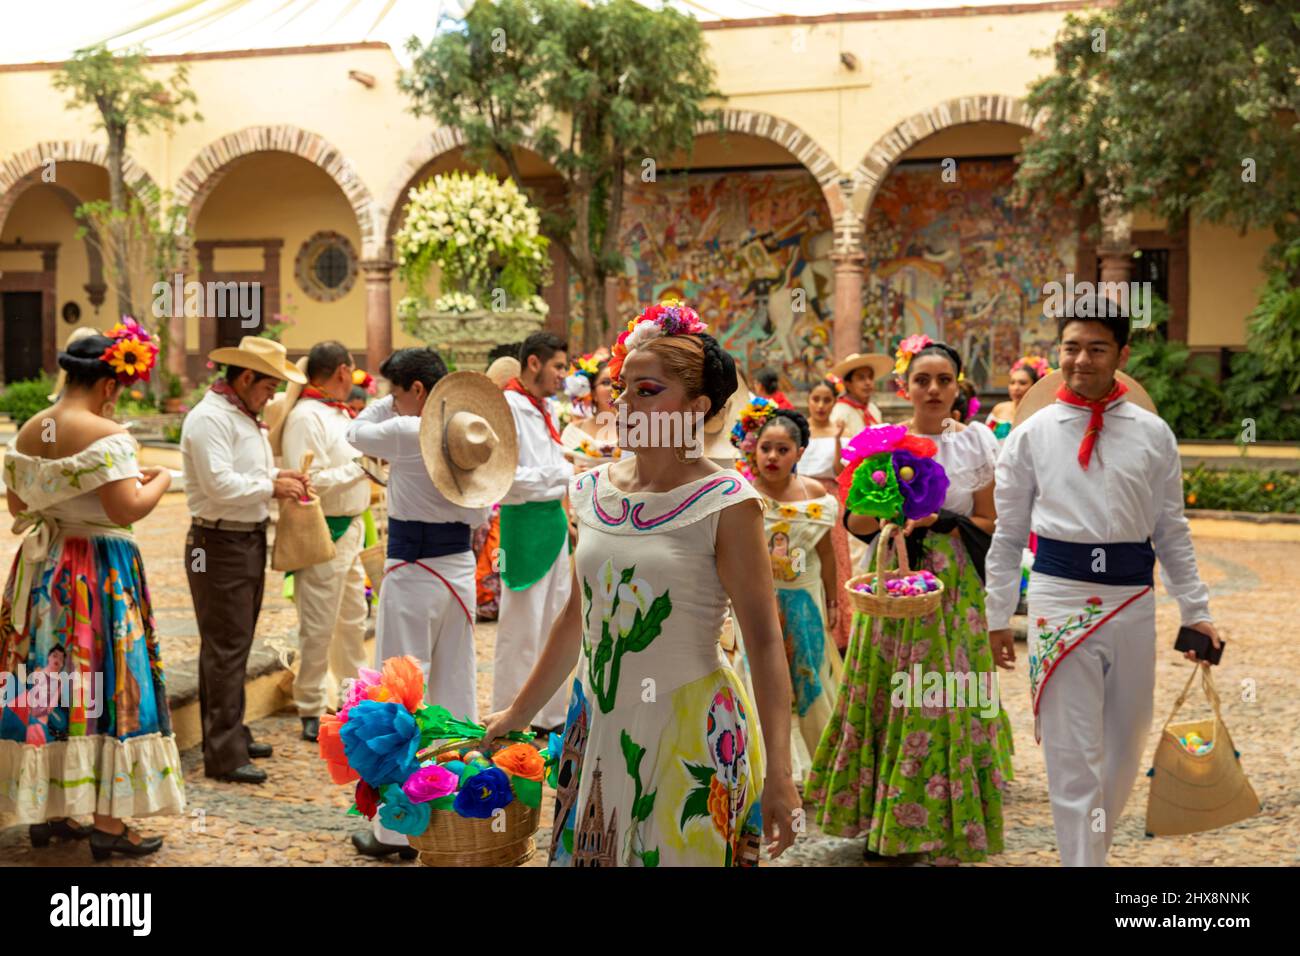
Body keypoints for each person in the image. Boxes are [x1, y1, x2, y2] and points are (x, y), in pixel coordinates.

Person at [482, 300, 800, 866]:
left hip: (688, 732)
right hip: (596, 725)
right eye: (621, 387)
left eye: (646, 390)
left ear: (697, 406)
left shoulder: (728, 504)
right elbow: (575, 618)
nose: (622, 404)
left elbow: (765, 640)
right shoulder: (592, 490)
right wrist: (516, 715)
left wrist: (781, 772)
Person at [985, 312, 1220, 867]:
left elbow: (1171, 529)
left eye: (1096, 348)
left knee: (1124, 747)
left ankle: (1091, 852)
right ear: (1057, 353)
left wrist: (1197, 609)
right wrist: (996, 614)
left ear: (1121, 355)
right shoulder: (1030, 436)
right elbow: (1009, 532)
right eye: (1070, 348)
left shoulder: (1152, 433)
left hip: (1133, 601)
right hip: (1058, 598)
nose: (1081, 360)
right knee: (1072, 755)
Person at [806, 337, 1014, 865]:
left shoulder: (977, 444)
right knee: (887, 686)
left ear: (958, 386)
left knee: (944, 691)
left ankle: (940, 822)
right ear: (905, 387)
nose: (934, 389)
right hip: (894, 579)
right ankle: (887, 820)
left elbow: (991, 522)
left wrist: (944, 519)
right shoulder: (884, 444)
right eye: (923, 380)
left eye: (944, 380)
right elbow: (854, 522)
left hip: (952, 584)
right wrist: (890, 514)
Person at [1, 321, 185, 859]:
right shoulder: (109, 435)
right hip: (97, 573)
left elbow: (18, 507)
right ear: (110, 385)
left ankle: (53, 813)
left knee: (50, 682)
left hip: (43, 575)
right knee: (108, 682)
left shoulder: (33, 427)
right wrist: (163, 481)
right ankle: (110, 823)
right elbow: (124, 508)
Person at [344, 349, 505, 859]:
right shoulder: (469, 435)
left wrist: (380, 402)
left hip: (413, 576)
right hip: (457, 575)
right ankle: (453, 813)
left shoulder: (406, 428)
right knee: (456, 692)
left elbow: (356, 432)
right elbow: (481, 511)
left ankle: (395, 831)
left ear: (416, 390)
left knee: (396, 699)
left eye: (396, 390)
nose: (390, 400)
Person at [181, 336, 310, 785]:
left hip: (241, 539)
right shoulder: (209, 419)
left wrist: (277, 476)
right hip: (217, 543)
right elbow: (219, 485)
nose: (273, 395)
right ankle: (223, 751)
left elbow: (244, 473)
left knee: (233, 641)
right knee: (225, 645)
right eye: (269, 385)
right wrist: (272, 487)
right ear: (246, 376)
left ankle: (231, 730)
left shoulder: (240, 415)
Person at [269, 341, 370, 744]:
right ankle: (310, 704)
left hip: (353, 529)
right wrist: (360, 469)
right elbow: (306, 479)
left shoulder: (336, 413)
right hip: (323, 528)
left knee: (352, 618)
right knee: (318, 623)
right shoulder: (305, 417)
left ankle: (354, 699)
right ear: (342, 371)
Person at [737, 406, 842, 784]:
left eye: (783, 450)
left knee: (810, 678)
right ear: (754, 450)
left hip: (804, 602)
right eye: (766, 448)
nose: (772, 457)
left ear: (799, 453)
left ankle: (825, 768)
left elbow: (826, 555)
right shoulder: (743, 495)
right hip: (755, 606)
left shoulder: (815, 496)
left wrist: (832, 602)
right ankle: (762, 768)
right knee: (757, 680)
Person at [494, 331, 575, 737]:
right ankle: (508, 716)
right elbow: (506, 480)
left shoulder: (544, 409)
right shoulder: (506, 407)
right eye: (558, 366)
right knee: (520, 627)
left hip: (553, 525)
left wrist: (558, 476)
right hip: (523, 526)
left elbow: (548, 475)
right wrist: (560, 474)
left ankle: (547, 714)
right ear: (533, 363)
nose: (563, 375)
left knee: (555, 623)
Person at [804, 377, 852, 650]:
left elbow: (838, 471)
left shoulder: (840, 433)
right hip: (800, 498)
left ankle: (839, 629)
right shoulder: (798, 431)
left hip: (831, 499)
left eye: (827, 400)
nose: (821, 405)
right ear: (808, 401)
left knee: (836, 558)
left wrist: (836, 440)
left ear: (834, 403)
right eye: (816, 399)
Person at [560, 352, 622, 473]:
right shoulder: (573, 432)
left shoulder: (635, 428)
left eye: (618, 381)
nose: (613, 388)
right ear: (592, 392)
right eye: (606, 382)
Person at [827, 352, 891, 437]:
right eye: (861, 378)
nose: (868, 382)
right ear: (848, 384)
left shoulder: (872, 408)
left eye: (870, 377)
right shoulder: (840, 412)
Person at [986, 355, 1049, 441]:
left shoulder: (1040, 414)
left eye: (1022, 383)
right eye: (1012, 383)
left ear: (1034, 386)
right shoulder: (999, 409)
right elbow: (986, 440)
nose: (1016, 388)